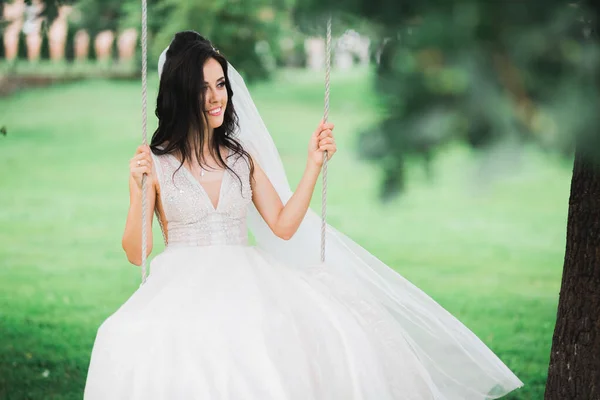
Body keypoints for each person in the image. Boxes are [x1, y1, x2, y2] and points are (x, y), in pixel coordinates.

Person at [84, 31, 524, 399]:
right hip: (180, 280)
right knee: (134, 336)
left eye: (221, 84)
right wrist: (140, 192)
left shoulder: (241, 158)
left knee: (276, 334)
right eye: (204, 88)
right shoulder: (152, 164)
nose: (217, 97)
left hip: (244, 275)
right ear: (182, 93)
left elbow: (282, 224)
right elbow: (136, 253)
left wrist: (313, 165)